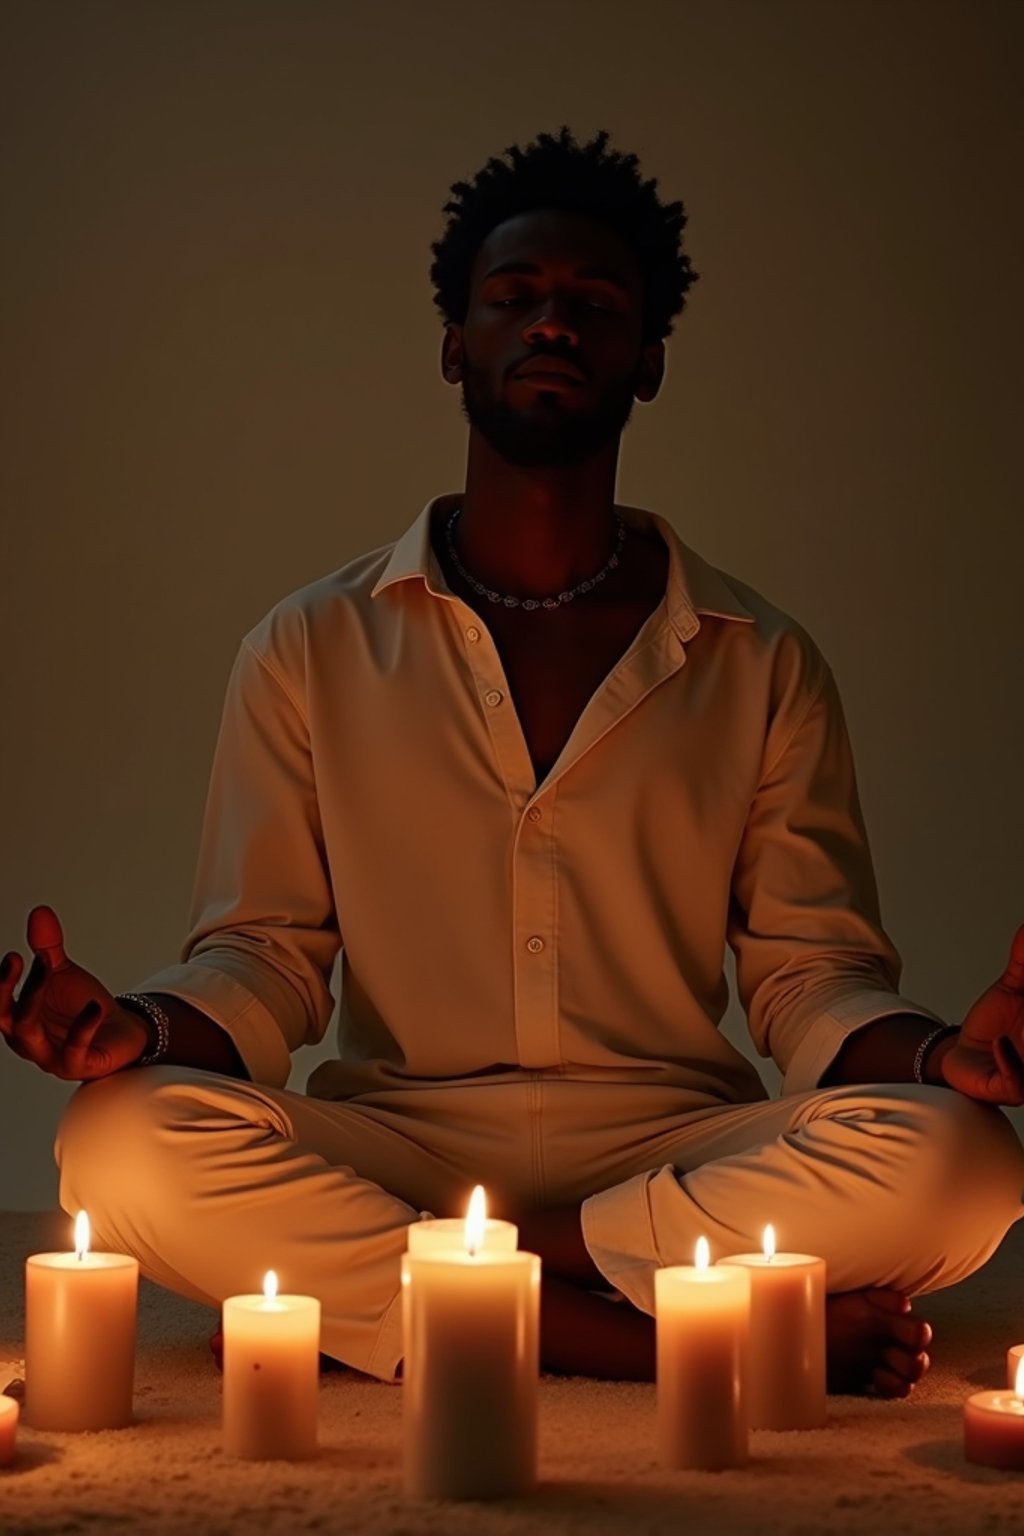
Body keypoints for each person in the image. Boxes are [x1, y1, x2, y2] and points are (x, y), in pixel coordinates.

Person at [3, 126, 1023, 1399]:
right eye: (515, 297)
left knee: (966, 1163)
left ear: (646, 362)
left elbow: (810, 981)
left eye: (594, 304)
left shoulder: (760, 662)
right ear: (454, 345)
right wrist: (135, 1029)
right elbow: (262, 958)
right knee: (118, 1142)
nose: (553, 323)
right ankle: (655, 1338)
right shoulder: (309, 645)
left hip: (672, 1148)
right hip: (404, 1137)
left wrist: (944, 1062)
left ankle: (465, 1289)